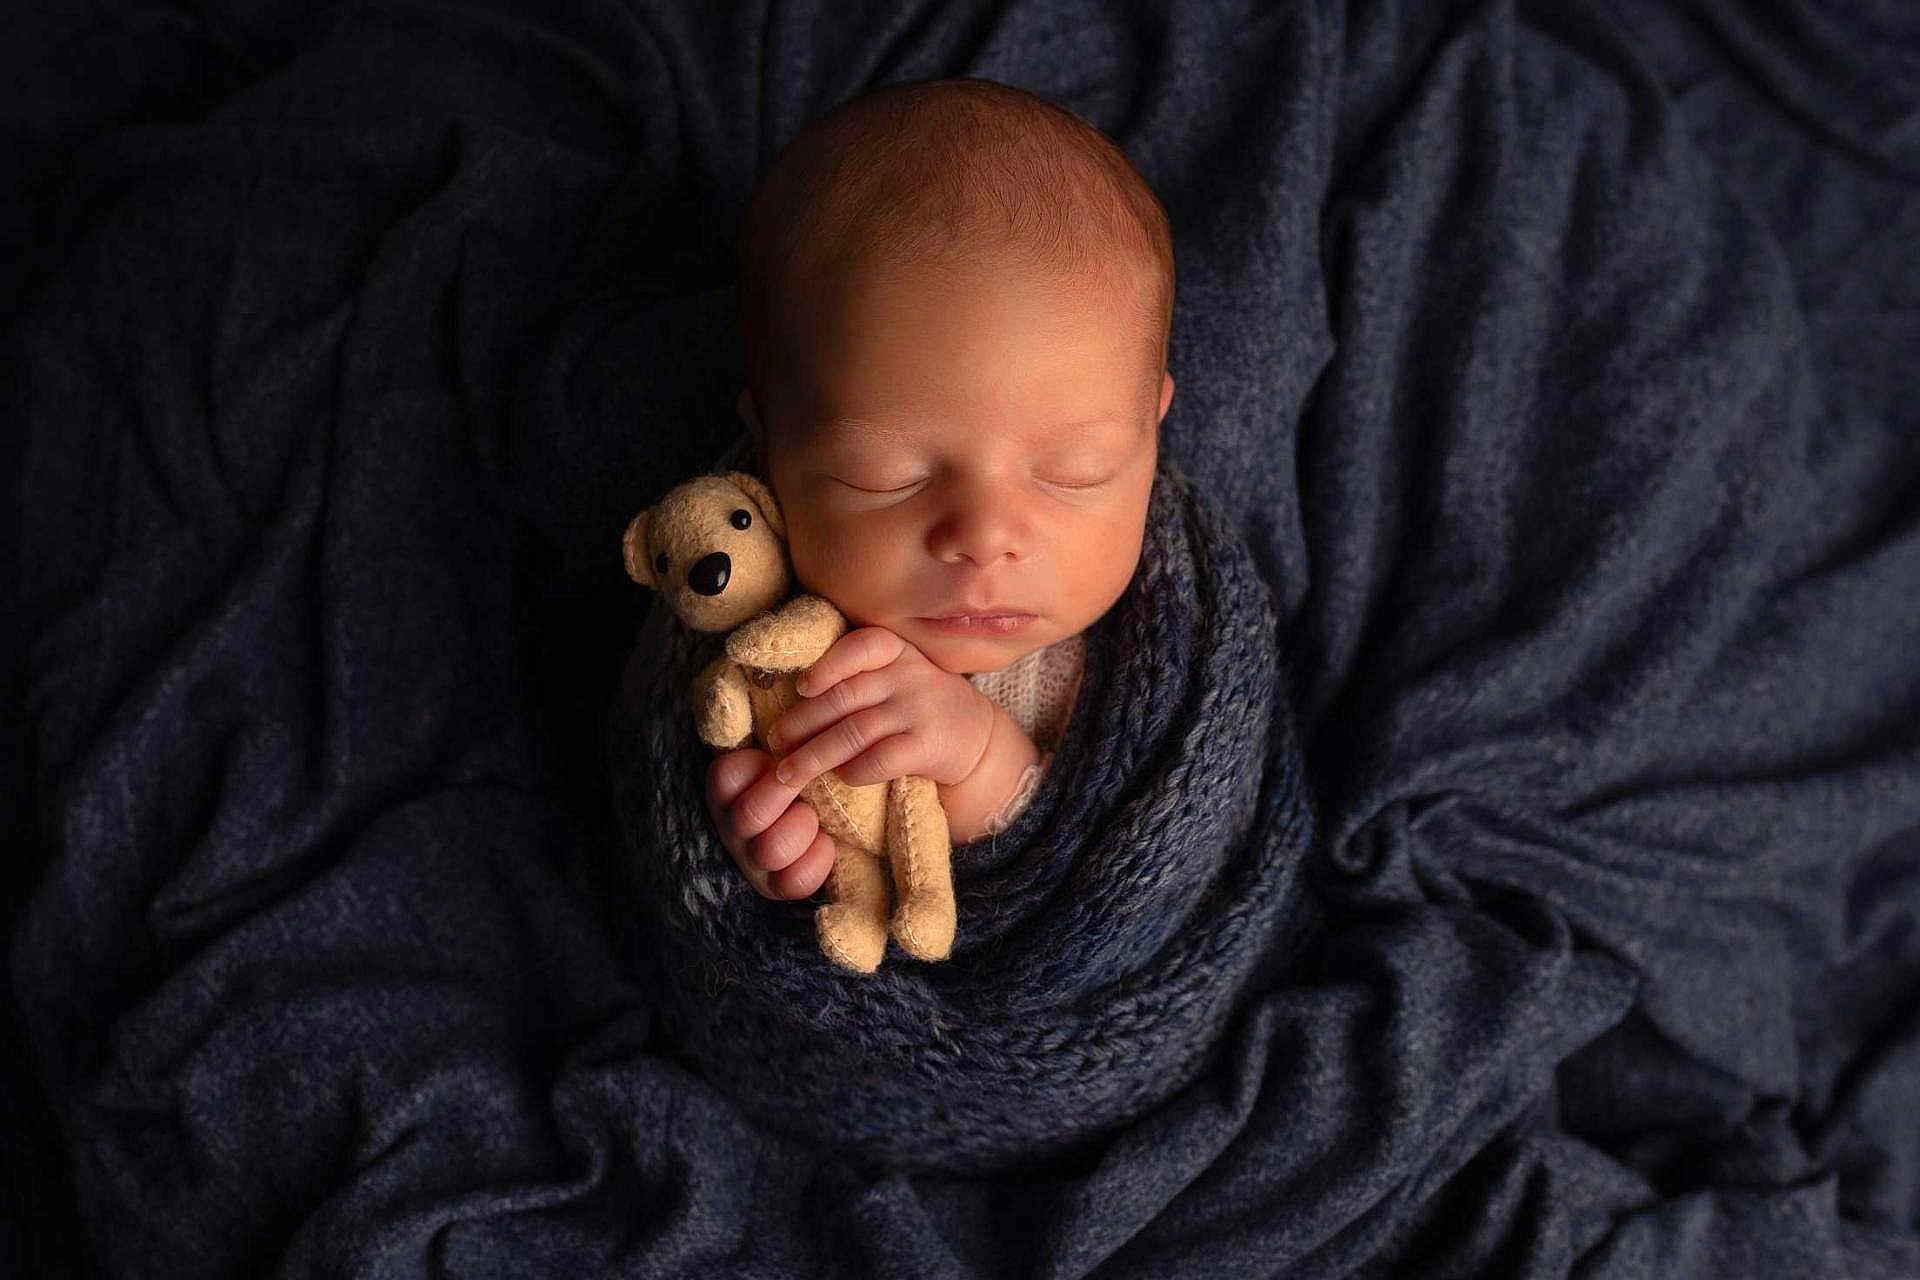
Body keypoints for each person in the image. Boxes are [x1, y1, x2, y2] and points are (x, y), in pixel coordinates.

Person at [703, 76, 1177, 904]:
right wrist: (765, 856)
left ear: (1152, 428)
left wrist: (982, 765)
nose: (985, 536)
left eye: (1076, 472)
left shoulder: (1152, 657)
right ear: (770, 442)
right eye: (887, 477)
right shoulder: (760, 639)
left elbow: (1154, 879)